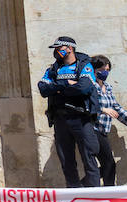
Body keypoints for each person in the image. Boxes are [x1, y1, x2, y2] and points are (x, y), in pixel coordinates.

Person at [37, 35, 100, 187]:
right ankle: (73, 191)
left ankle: (94, 193)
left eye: (59, 49)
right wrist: (65, 84)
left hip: (81, 117)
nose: (56, 52)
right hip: (60, 118)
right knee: (66, 159)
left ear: (69, 48)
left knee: (89, 157)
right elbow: (43, 88)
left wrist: (57, 88)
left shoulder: (84, 65)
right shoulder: (54, 68)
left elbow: (84, 87)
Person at [90, 55, 127, 187]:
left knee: (107, 165)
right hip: (92, 130)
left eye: (108, 70)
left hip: (103, 131)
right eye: (102, 69)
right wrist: (102, 109)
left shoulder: (107, 87)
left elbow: (116, 109)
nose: (105, 72)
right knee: (108, 164)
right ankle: (105, 190)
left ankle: (84, 185)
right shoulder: (89, 86)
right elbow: (86, 105)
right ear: (93, 70)